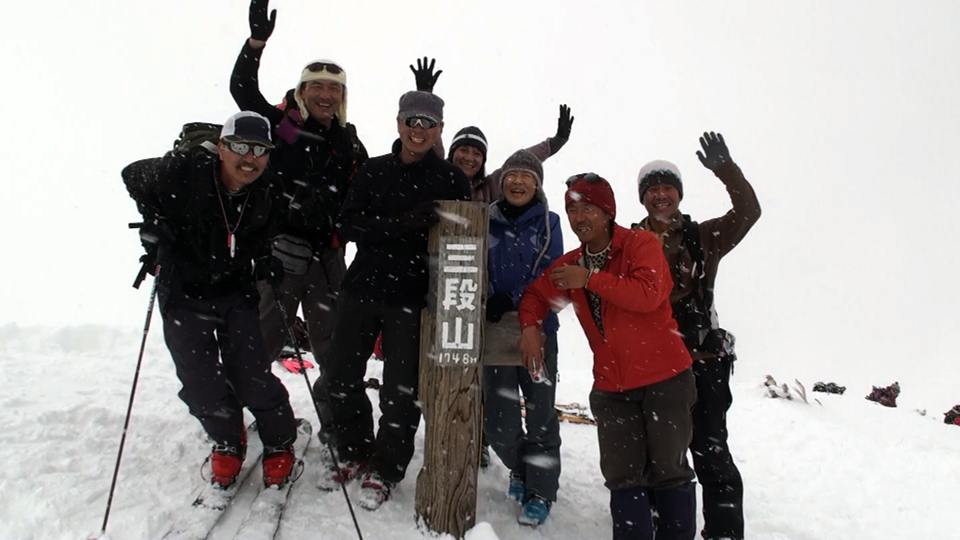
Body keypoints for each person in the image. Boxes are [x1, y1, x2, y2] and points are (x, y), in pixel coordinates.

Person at [122, 111, 299, 488]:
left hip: (235, 290)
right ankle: (228, 437)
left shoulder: (269, 188)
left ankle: (280, 440)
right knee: (199, 381)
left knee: (250, 374)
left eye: (260, 150)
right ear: (221, 148)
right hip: (183, 292)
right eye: (240, 147)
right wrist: (155, 222)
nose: (249, 158)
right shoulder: (184, 170)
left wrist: (265, 256)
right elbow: (132, 175)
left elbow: (267, 228)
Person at [519, 174, 697, 540]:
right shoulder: (574, 264)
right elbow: (536, 295)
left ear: (607, 211)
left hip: (665, 379)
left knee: (669, 472)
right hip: (612, 387)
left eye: (588, 208)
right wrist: (530, 327)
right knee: (622, 477)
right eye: (572, 210)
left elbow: (648, 295)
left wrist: (589, 279)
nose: (579, 217)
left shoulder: (640, 244)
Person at [320, 90, 471, 510]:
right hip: (361, 287)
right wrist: (404, 223)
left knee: (401, 390)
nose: (418, 129)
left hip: (413, 296)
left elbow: (465, 237)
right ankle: (354, 449)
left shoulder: (452, 180)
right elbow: (349, 225)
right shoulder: (374, 170)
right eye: (411, 121)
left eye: (427, 123)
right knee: (339, 376)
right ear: (399, 122)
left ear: (440, 129)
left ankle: (386, 468)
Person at [229, 0, 368, 444]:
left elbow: (368, 195)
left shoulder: (349, 143)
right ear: (302, 90)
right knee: (260, 346)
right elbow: (242, 91)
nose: (325, 94)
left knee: (335, 354)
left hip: (328, 261)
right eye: (316, 86)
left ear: (343, 97)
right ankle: (240, 425)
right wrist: (256, 43)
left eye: (334, 88)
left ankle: (339, 432)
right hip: (280, 259)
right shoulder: (282, 124)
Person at [632, 132, 760, 540]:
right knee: (659, 456)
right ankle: (662, 525)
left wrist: (726, 170)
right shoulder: (630, 243)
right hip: (651, 366)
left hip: (702, 362)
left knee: (711, 453)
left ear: (679, 194)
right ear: (643, 198)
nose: (660, 195)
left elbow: (749, 212)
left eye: (667, 187)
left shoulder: (704, 237)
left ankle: (723, 532)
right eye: (652, 189)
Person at [483, 150, 564, 526]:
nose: (518, 182)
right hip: (497, 329)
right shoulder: (485, 219)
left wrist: (513, 298)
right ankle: (521, 467)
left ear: (537, 184)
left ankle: (541, 490)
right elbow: (474, 264)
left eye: (526, 176)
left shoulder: (549, 222)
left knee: (540, 413)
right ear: (502, 182)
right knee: (498, 422)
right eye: (512, 176)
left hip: (540, 328)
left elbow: (552, 274)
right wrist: (489, 297)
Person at [408, 57, 574, 202]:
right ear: (452, 153)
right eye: (464, 150)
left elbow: (520, 160)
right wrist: (425, 97)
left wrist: (555, 143)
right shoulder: (437, 173)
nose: (469, 158)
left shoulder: (489, 187)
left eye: (477, 154)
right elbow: (430, 138)